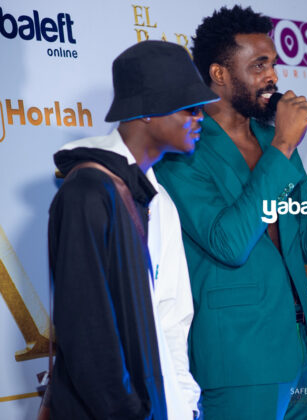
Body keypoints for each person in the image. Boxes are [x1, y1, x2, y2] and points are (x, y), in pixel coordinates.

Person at [153, 5, 307, 419]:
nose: (272, 76)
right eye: (259, 65)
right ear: (219, 74)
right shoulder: (184, 150)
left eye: (273, 64)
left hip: (301, 356)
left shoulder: (272, 140)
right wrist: (284, 146)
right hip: (239, 361)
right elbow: (229, 243)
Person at [48, 40, 218, 419]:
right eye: (190, 108)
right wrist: (128, 412)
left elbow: (172, 318)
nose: (201, 118)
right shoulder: (86, 192)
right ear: (146, 113)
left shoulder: (161, 201)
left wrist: (185, 404)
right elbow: (85, 329)